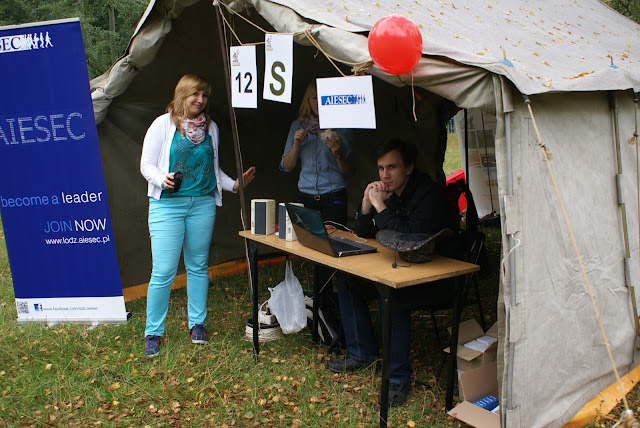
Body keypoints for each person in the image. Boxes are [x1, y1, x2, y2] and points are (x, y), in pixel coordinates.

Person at [326, 138, 452, 406]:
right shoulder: (390, 192)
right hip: (404, 267)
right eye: (381, 168)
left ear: (409, 167)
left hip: (438, 274)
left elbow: (408, 238)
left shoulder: (428, 195)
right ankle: (362, 353)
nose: (385, 175)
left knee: (391, 294)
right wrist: (366, 203)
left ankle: (397, 377)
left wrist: (381, 207)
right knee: (348, 280)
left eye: (392, 167)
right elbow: (366, 233)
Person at [140, 74, 255, 358]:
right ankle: (153, 332)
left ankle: (197, 324)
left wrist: (235, 185)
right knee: (164, 271)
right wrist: (161, 178)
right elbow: (146, 165)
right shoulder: (162, 124)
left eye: (204, 95)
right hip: (167, 206)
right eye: (195, 94)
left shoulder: (211, 127)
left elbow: (212, 170)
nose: (201, 100)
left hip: (202, 204)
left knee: (197, 266)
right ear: (182, 94)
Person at [280, 80, 354, 225]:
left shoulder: (341, 125)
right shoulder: (298, 126)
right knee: (305, 238)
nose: (318, 103)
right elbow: (286, 166)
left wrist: (338, 155)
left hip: (333, 196)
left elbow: (350, 171)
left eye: (323, 97)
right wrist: (296, 145)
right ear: (308, 100)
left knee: (335, 237)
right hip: (305, 196)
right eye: (314, 98)